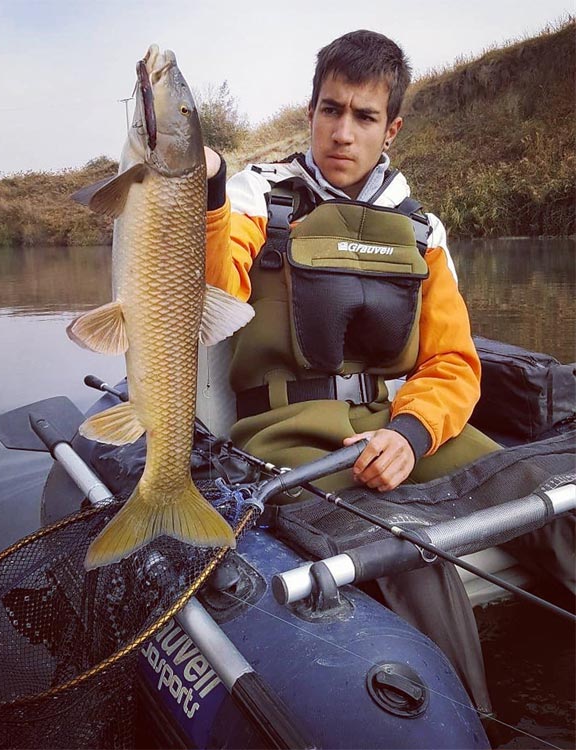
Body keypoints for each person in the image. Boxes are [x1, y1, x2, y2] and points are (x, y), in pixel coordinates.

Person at [202, 29, 502, 713]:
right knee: (405, 548)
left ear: (389, 128)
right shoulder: (255, 197)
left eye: (364, 116)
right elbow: (213, 287)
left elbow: (452, 364)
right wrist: (211, 189)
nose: (343, 131)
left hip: (399, 431)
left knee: (533, 485)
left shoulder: (423, 228)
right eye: (330, 110)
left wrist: (411, 433)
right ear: (310, 112)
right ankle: (469, 723)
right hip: (288, 439)